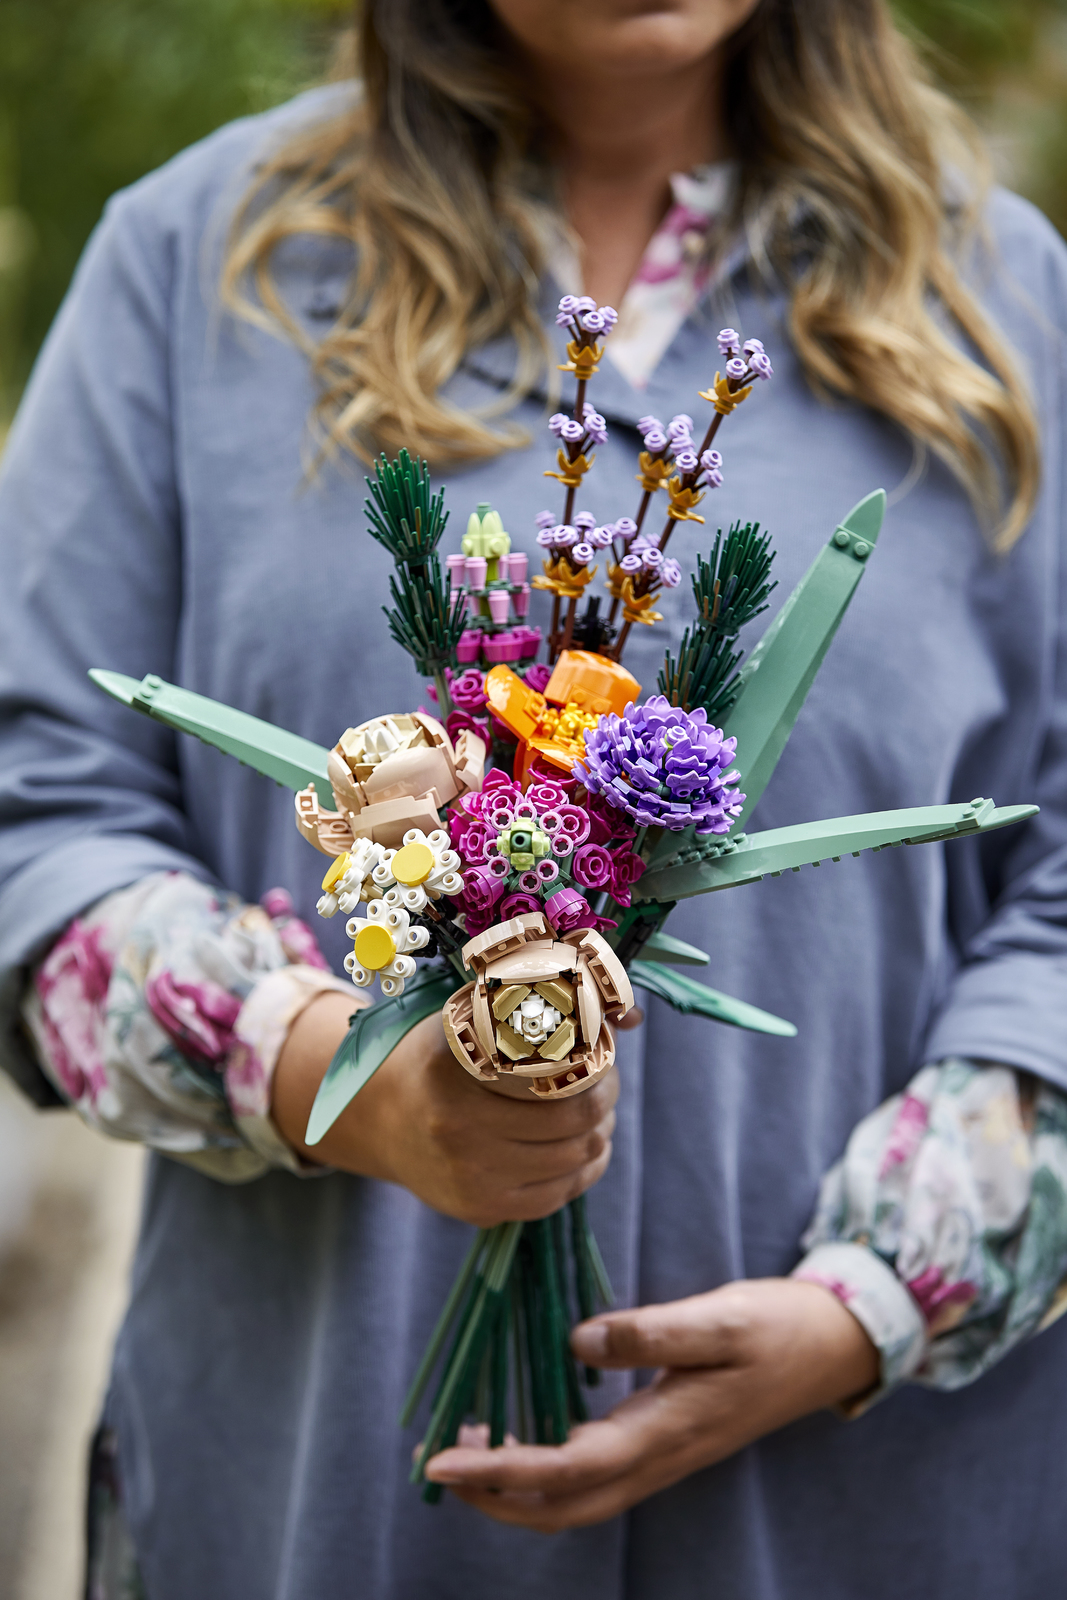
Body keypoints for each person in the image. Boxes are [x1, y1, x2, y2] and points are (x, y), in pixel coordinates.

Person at [1, 1, 1066, 1595]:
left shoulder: (1009, 299)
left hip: (867, 1513)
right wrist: (330, 1074)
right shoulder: (193, 266)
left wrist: (882, 1295)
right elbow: (39, 818)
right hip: (321, 1493)